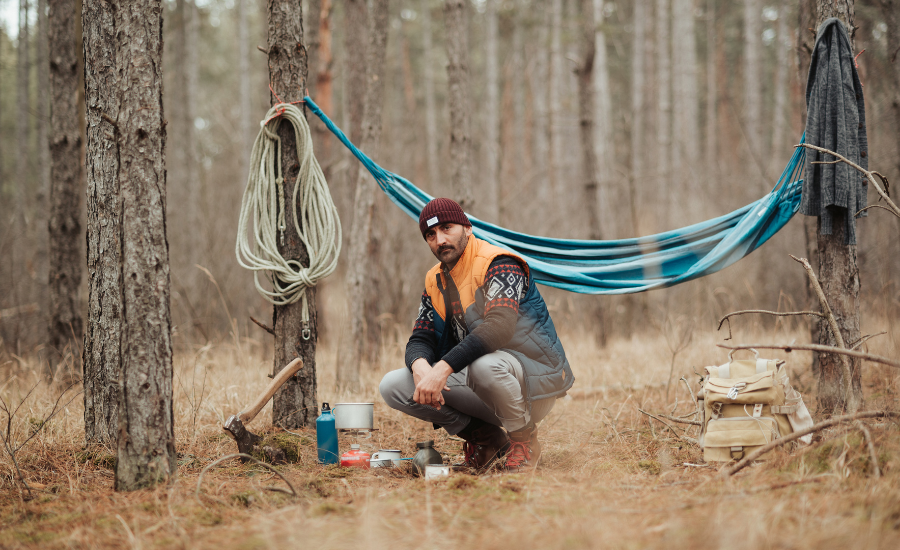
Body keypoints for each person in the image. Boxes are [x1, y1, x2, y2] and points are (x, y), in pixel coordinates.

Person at [379, 198, 574, 473]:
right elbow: (421, 338)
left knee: (484, 366)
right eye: (431, 235)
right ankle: (488, 440)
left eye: (447, 228)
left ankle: (523, 440)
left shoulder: (499, 263)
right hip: (481, 383)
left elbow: (499, 327)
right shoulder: (435, 279)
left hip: (530, 385)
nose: (440, 240)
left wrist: (443, 368)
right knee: (393, 386)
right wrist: (421, 366)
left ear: (467, 227)